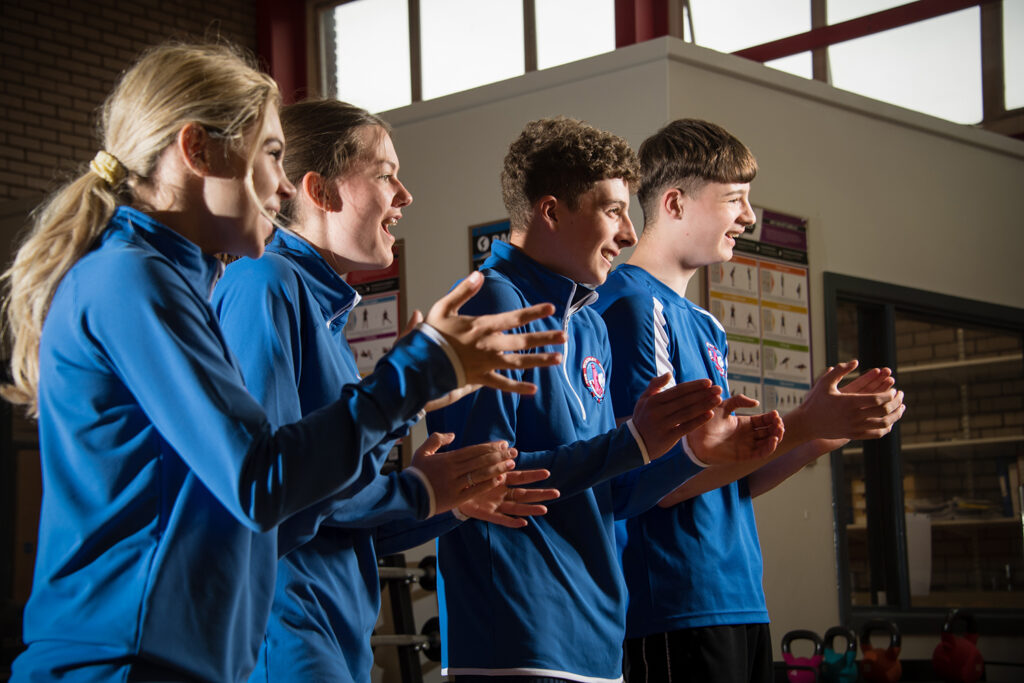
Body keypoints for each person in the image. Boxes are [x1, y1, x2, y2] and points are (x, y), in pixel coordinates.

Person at [1, 42, 566, 683]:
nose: (281, 182)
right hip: (126, 663)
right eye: (272, 154)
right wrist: (414, 384)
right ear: (198, 150)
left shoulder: (172, 280)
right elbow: (262, 483)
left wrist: (415, 443)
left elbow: (275, 497)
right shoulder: (139, 280)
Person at [212, 98, 560, 682]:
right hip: (285, 631)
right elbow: (275, 492)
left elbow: (342, 506)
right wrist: (414, 487)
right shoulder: (264, 284)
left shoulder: (319, 308)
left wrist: (441, 497)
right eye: (384, 175)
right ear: (319, 191)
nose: (405, 195)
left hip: (333, 632)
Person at [427, 116, 784, 682]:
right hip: (517, 638)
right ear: (551, 212)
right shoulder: (488, 304)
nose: (626, 233)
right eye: (612, 211)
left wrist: (691, 454)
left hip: (596, 639)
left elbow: (614, 493)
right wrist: (633, 442)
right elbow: (486, 482)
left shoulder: (589, 323)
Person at [594, 118, 906, 683]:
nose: (749, 217)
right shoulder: (632, 309)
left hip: (738, 596)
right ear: (674, 204)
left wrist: (819, 434)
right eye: (734, 199)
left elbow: (733, 478)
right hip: (673, 601)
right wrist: (804, 419)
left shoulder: (708, 325)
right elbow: (659, 481)